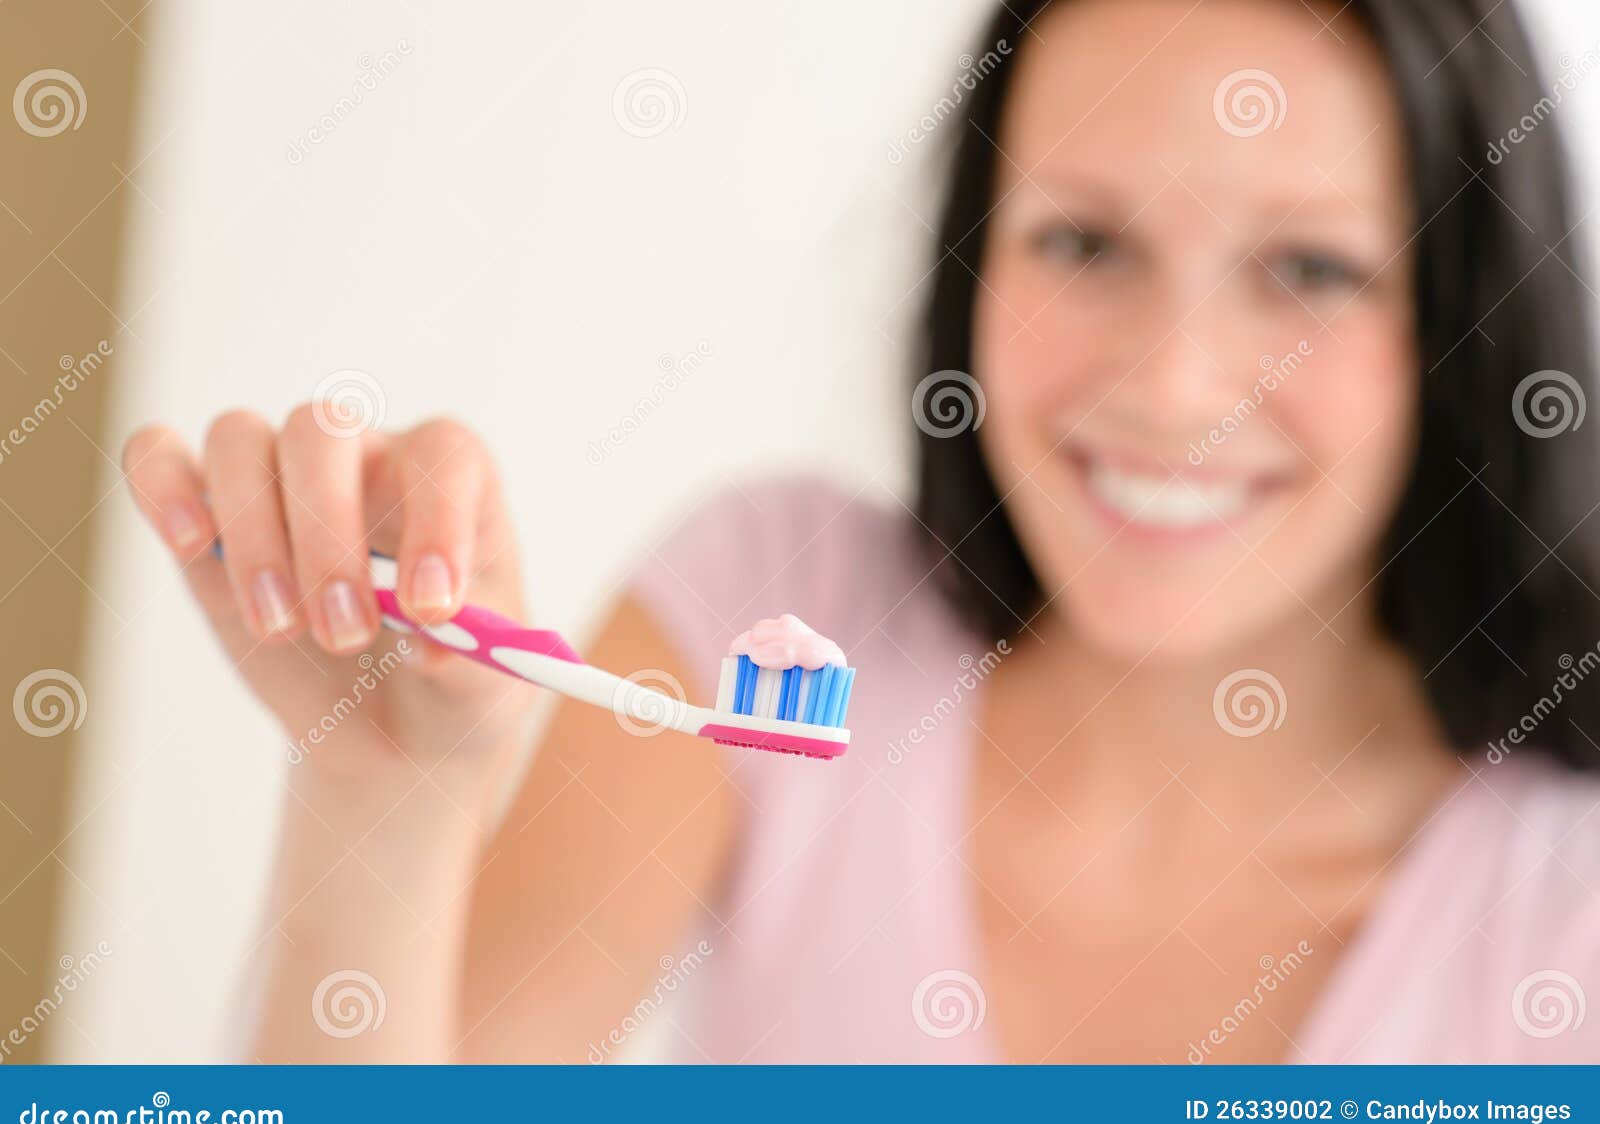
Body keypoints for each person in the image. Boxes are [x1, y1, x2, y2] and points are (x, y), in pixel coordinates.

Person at [122, 0, 1600, 1062]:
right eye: (1081, 240)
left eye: (1308, 269)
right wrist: (383, 801)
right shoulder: (778, 604)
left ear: (1465, 326)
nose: (1172, 383)